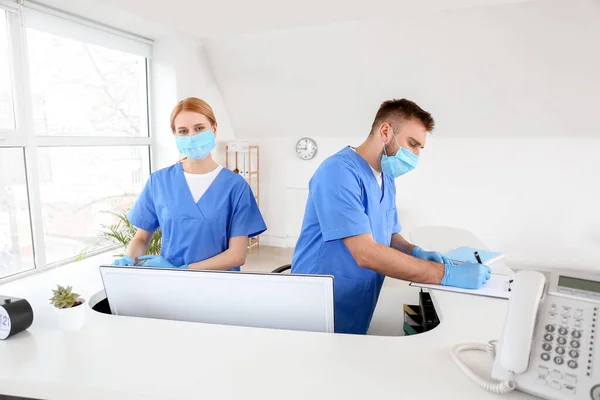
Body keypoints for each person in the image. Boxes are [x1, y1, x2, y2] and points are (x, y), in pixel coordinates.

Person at [291, 99, 490, 334]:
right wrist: (445, 274)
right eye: (412, 144)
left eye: (420, 149)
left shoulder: (386, 177)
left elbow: (389, 233)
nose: (416, 155)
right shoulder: (338, 172)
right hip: (319, 303)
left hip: (357, 298)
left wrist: (415, 251)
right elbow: (365, 252)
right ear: (385, 131)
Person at [112, 97, 266, 271]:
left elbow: (236, 256)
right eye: (183, 131)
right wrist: (129, 258)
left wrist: (182, 270)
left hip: (219, 286)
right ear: (175, 135)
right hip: (171, 285)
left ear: (214, 129)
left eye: (199, 128)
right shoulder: (159, 182)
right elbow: (141, 238)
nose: (192, 137)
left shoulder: (236, 186)